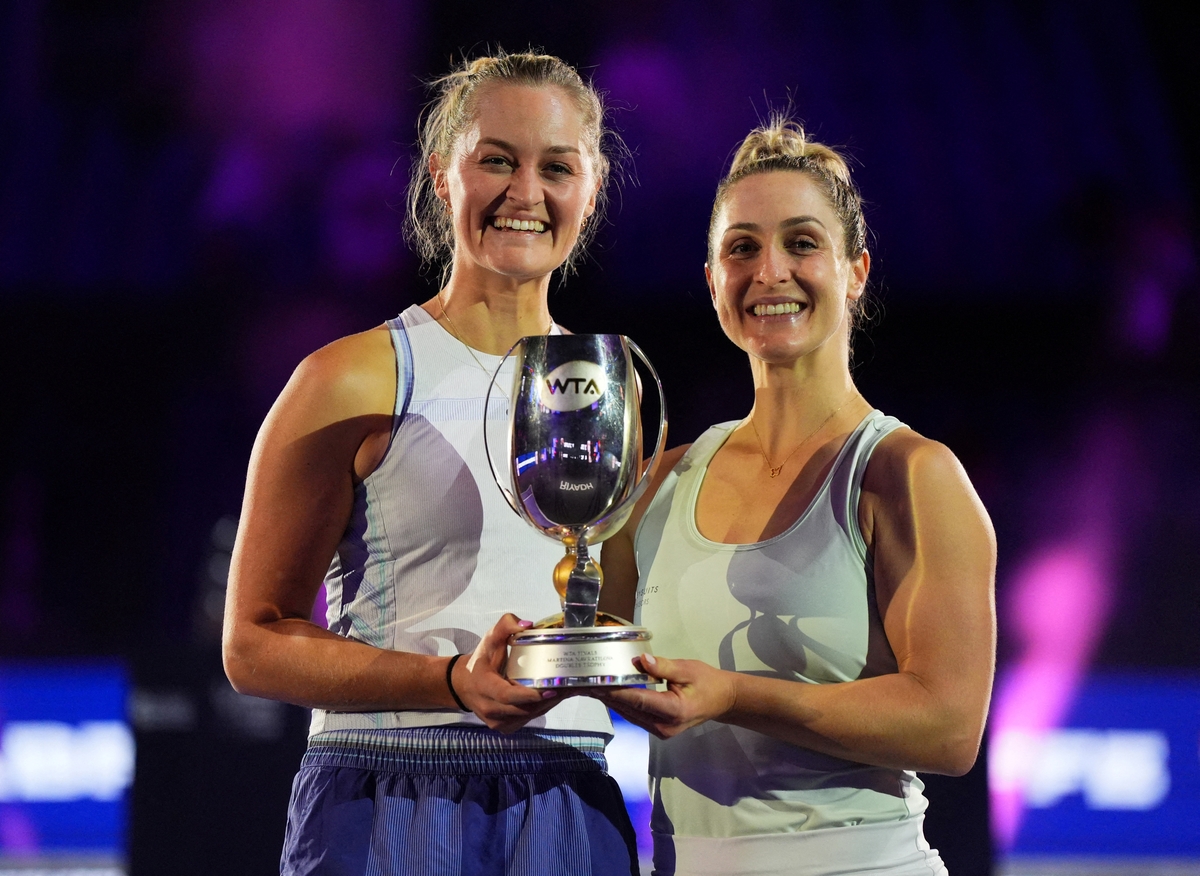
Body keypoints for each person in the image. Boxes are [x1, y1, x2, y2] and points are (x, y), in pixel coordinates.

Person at [222, 51, 639, 875]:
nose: (525, 192)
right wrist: (450, 681)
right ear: (440, 176)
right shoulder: (351, 377)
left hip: (570, 784)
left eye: (557, 166)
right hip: (386, 787)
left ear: (590, 194)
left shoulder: (617, 396)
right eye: (496, 160)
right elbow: (253, 644)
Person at [597, 118, 997, 876]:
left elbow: (949, 727)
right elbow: (595, 655)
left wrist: (735, 695)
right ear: (712, 279)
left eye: (802, 243)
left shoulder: (910, 472)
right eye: (741, 247)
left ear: (856, 272)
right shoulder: (657, 480)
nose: (769, 271)